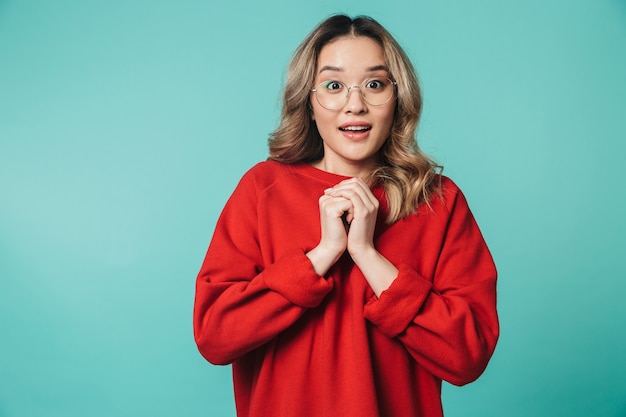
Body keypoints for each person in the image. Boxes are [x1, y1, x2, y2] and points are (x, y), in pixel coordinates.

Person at [193, 14, 498, 417]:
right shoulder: (262, 189)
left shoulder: (438, 201)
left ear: (398, 98)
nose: (355, 105)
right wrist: (323, 255)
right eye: (334, 85)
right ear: (309, 100)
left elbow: (467, 356)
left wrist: (368, 255)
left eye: (374, 84)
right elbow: (215, 336)